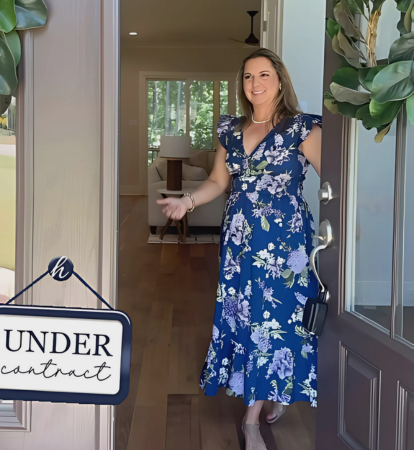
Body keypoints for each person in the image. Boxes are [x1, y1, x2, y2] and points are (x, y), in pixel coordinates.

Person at [156, 48, 322, 450]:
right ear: (242, 84)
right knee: (245, 318)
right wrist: (187, 202)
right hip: (239, 242)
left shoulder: (304, 129)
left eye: (264, 75)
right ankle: (271, 393)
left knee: (279, 321)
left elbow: (335, 181)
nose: (256, 84)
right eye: (248, 77)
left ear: (280, 80)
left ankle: (251, 421)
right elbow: (218, 181)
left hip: (286, 244)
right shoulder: (230, 130)